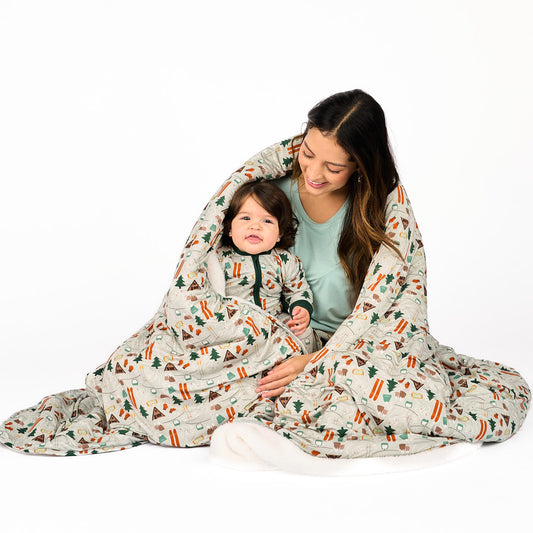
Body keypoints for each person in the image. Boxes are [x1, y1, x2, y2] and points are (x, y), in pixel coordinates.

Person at [256, 89, 403, 398]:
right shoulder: (270, 196)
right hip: (267, 339)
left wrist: (314, 362)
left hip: (346, 352)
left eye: (334, 168)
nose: (313, 172)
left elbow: (387, 318)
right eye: (308, 154)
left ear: (360, 166)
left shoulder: (377, 217)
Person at [217, 180, 315, 348]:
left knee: (305, 333)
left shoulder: (285, 260)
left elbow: (298, 290)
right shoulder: (220, 259)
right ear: (230, 229)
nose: (255, 226)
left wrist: (301, 309)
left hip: (274, 322)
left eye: (267, 221)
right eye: (245, 218)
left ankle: (293, 365)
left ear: (280, 234)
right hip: (233, 325)